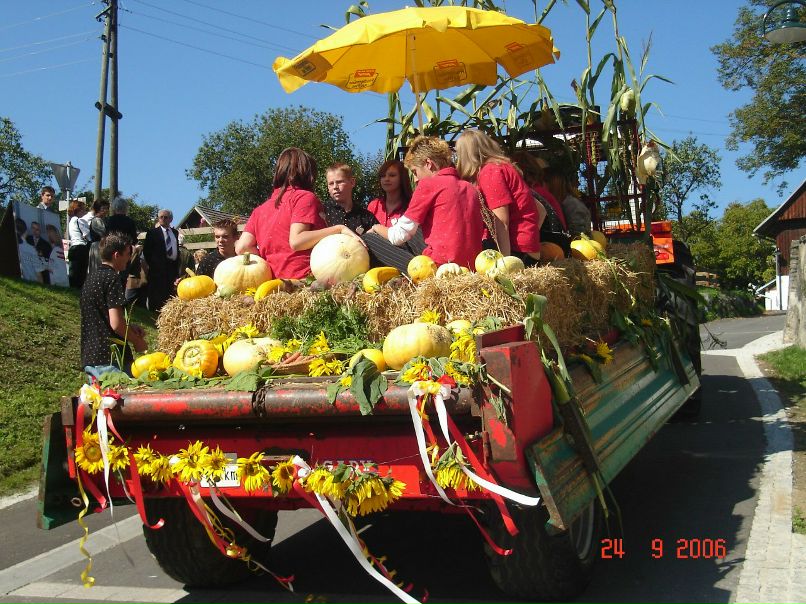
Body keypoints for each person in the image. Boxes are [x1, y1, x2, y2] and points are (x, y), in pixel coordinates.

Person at [235, 147, 362, 279]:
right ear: (307, 172)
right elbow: (297, 241)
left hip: (275, 284)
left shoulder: (259, 210)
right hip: (305, 280)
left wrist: (269, 257)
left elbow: (242, 247)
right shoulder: (304, 197)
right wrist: (338, 229)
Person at [366, 135, 484, 271]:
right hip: (471, 266)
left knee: (369, 239)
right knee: (416, 229)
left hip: (439, 268)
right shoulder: (470, 188)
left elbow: (398, 236)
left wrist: (376, 228)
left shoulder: (428, 185)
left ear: (428, 164)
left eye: (415, 172)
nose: (416, 179)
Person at [455, 130, 541, 265]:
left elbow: (501, 221)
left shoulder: (490, 172)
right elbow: (540, 208)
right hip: (525, 247)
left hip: (515, 251)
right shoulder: (505, 167)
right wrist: (531, 235)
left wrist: (504, 263)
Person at [80, 232, 147, 374]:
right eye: (128, 254)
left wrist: (130, 326)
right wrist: (137, 341)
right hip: (110, 358)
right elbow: (116, 324)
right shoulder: (112, 279)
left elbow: (101, 316)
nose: (129, 259)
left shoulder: (91, 278)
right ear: (117, 255)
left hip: (91, 356)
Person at [511, 150, 570, 253]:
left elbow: (540, 214)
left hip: (553, 244)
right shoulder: (538, 190)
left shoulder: (534, 193)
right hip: (556, 241)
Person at [323, 163, 377, 235]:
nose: (335, 187)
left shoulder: (366, 217)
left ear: (352, 182)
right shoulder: (322, 212)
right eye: (331, 183)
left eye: (339, 182)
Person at [142, 209, 179, 312]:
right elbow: (147, 251)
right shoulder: (153, 233)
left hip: (171, 267)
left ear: (171, 219)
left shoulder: (175, 233)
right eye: (160, 217)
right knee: (157, 293)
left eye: (165, 217)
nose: (163, 219)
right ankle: (155, 314)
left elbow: (176, 249)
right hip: (157, 268)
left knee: (170, 293)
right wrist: (154, 264)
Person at [545, 167, 592, 237]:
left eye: (543, 182)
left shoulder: (573, 205)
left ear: (554, 183)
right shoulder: (564, 202)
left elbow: (581, 235)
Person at [367, 159, 413, 227]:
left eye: (392, 175)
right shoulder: (374, 205)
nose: (386, 179)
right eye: (383, 176)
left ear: (402, 178)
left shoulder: (411, 206)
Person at [67, 200, 91, 288]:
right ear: (79, 210)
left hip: (73, 247)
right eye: (84, 210)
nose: (85, 212)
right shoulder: (79, 220)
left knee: (73, 270)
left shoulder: (71, 221)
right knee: (81, 272)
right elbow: (87, 235)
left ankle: (72, 288)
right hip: (81, 247)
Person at [86, 199, 110, 275]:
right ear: (98, 209)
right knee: (98, 268)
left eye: (107, 208)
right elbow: (103, 234)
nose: (105, 210)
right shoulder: (97, 220)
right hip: (98, 246)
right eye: (103, 208)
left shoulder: (103, 220)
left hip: (101, 245)